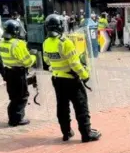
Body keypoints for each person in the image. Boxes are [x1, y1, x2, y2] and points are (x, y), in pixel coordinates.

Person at [43, 14, 102, 143]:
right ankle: (86, 134)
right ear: (61, 26)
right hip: (71, 80)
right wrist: (85, 75)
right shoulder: (66, 43)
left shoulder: (46, 42)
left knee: (62, 107)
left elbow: (47, 60)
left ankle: (66, 132)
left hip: (57, 79)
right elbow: (75, 64)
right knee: (81, 107)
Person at [0, 20, 36, 127]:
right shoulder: (17, 44)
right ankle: (17, 119)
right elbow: (27, 62)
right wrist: (33, 56)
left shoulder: (2, 43)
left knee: (13, 96)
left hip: (8, 72)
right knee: (22, 96)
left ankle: (12, 118)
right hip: (18, 73)